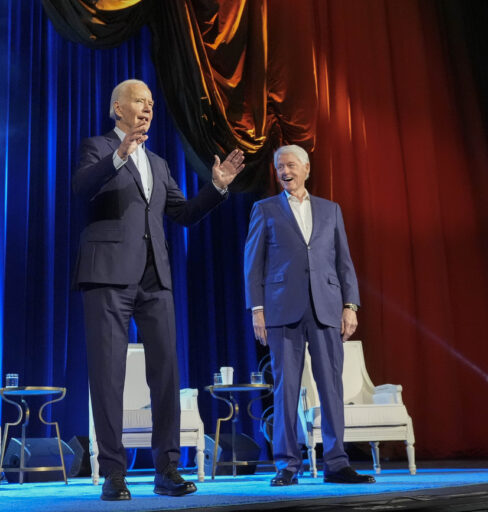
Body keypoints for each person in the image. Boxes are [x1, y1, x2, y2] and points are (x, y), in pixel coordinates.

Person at [73, 79, 245, 501]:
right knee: (108, 377)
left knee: (166, 374)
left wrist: (217, 186)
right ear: (118, 107)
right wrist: (118, 156)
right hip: (108, 275)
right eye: (139, 101)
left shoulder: (160, 163)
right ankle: (113, 471)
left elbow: (183, 214)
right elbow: (80, 190)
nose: (147, 108)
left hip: (156, 279)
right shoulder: (97, 147)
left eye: (151, 102)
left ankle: (166, 467)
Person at [243, 144, 375, 486]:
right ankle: (287, 465)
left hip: (326, 307)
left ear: (305, 168)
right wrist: (257, 309)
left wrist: (351, 305)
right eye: (279, 167)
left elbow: (343, 261)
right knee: (286, 388)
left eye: (290, 165)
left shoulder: (330, 210)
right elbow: (252, 264)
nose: (284, 171)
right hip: (281, 309)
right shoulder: (265, 209)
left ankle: (336, 462)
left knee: (331, 386)